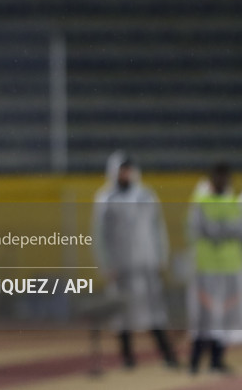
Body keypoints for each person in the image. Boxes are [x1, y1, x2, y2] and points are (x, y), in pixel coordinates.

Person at [92, 151, 178, 368]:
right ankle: (128, 358)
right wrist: (106, 264)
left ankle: (168, 356)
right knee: (123, 314)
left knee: (154, 311)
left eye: (128, 169)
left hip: (147, 263)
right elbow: (100, 235)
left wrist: (161, 256)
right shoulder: (105, 199)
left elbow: (158, 228)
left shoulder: (146, 195)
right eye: (122, 169)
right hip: (121, 265)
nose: (125, 173)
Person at [186, 162, 241, 374]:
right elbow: (205, 230)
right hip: (206, 267)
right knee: (204, 316)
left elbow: (238, 229)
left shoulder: (232, 202)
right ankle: (195, 361)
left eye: (225, 178)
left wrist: (221, 229)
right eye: (219, 177)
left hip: (230, 266)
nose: (223, 181)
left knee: (227, 316)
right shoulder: (201, 201)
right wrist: (225, 229)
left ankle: (216, 361)